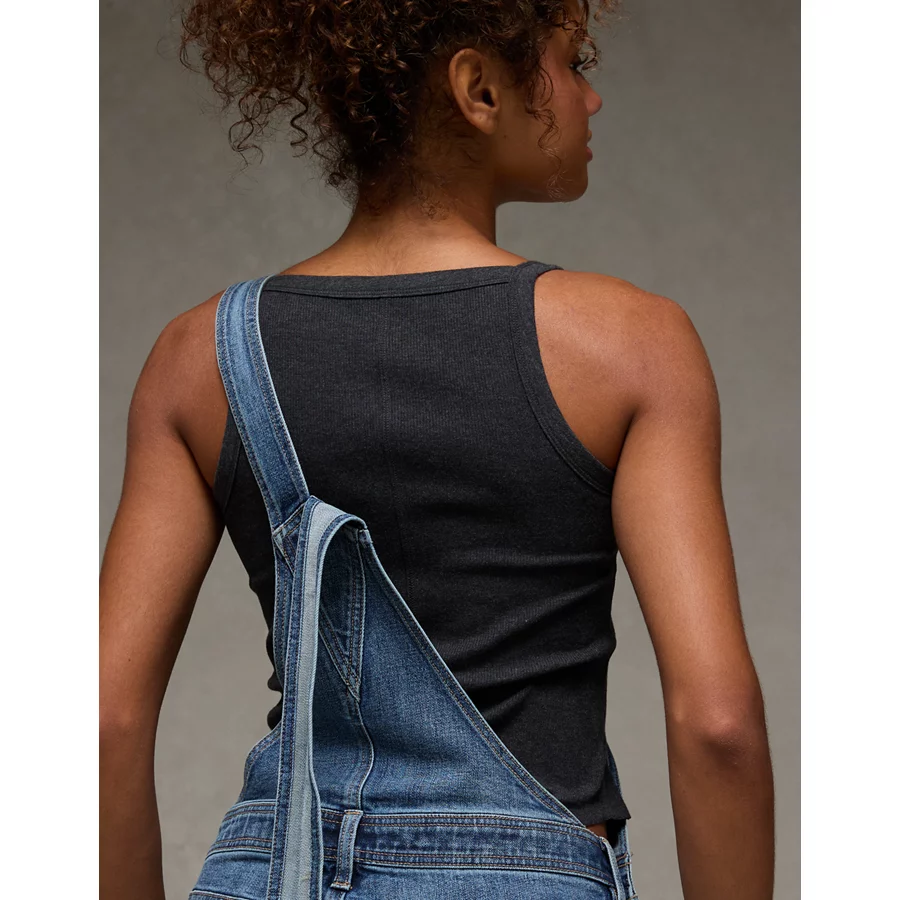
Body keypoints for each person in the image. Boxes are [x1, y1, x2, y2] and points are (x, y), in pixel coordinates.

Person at [99, 1, 775, 898]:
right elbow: (718, 724)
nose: (592, 98)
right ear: (478, 88)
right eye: (571, 63)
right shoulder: (630, 346)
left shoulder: (198, 359)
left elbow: (101, 721)